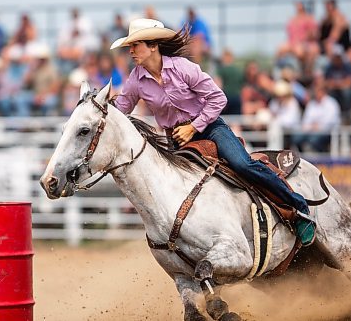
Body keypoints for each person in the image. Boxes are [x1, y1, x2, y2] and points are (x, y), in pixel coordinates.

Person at [110, 18, 316, 246]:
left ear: (153, 46)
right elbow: (120, 112)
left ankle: (298, 207)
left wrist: (193, 127)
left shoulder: (182, 68)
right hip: (176, 138)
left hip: (209, 128)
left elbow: (218, 98)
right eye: (130, 46)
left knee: (243, 165)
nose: (130, 51)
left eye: (135, 45)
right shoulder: (135, 81)